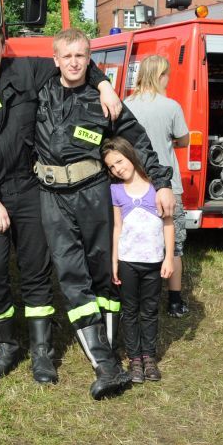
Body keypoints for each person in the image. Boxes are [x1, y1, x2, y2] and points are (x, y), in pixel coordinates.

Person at [0, 20, 121, 385]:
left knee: (35, 268)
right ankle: (6, 347)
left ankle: (41, 353)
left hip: (29, 188)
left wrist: (105, 85)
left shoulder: (27, 69)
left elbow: (74, 63)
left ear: (3, 47)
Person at [32, 28, 173, 400]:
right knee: (69, 271)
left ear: (89, 57)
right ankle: (104, 363)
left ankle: (113, 346)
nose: (74, 62)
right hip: (51, 195)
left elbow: (138, 142)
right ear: (56, 59)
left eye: (82, 56)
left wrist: (160, 183)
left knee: (101, 269)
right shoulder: (39, 87)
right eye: (68, 56)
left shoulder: (105, 100)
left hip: (94, 193)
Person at [123, 55, 190, 318]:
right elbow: (183, 140)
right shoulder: (171, 106)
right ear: (161, 76)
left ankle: (135, 298)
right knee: (173, 245)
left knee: (134, 242)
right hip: (167, 185)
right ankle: (174, 301)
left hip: (134, 184)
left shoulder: (126, 104)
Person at [105, 137, 174, 384]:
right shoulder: (115, 191)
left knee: (150, 310)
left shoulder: (157, 187)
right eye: (111, 167)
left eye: (119, 162)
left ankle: (149, 357)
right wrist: (114, 261)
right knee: (130, 311)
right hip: (127, 262)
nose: (117, 169)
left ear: (130, 155)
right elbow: (117, 228)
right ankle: (134, 359)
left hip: (153, 262)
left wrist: (169, 258)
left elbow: (168, 224)